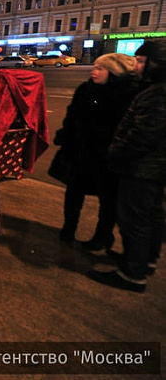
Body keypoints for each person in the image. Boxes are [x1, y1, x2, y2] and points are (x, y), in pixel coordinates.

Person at [88, 42, 166, 292]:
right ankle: (145, 262)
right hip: (152, 169)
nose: (136, 66)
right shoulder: (154, 89)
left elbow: (143, 135)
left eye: (142, 61)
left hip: (142, 169)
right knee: (151, 216)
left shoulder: (157, 94)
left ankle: (132, 274)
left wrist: (116, 153)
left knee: (135, 221)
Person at [52, 53, 139, 251]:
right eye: (95, 67)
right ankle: (68, 229)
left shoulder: (128, 94)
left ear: (115, 72)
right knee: (74, 191)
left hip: (107, 156)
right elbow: (72, 115)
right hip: (81, 151)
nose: (94, 71)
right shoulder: (85, 89)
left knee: (108, 199)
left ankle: (102, 236)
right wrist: (66, 134)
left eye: (100, 68)